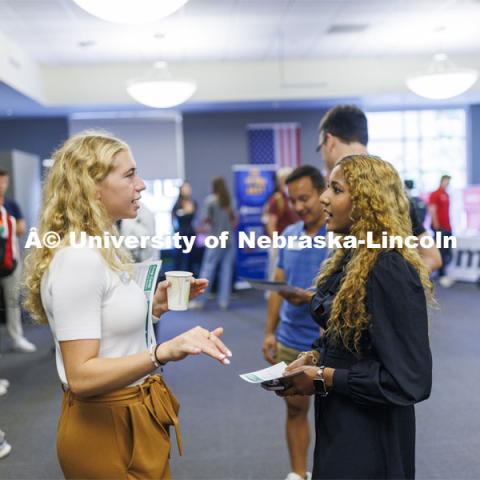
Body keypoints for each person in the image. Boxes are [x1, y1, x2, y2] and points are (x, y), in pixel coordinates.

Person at [23, 132, 232, 479]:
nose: (142, 185)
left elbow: (103, 322)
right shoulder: (79, 258)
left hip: (133, 413)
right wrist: (163, 352)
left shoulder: (101, 247)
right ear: (93, 187)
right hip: (105, 426)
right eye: (129, 174)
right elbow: (81, 376)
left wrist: (152, 307)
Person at [275, 155, 433, 479]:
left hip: (372, 440)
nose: (323, 198)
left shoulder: (388, 269)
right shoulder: (349, 261)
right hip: (341, 424)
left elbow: (411, 382)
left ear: (365, 202)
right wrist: (314, 356)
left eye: (336, 189)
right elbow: (352, 340)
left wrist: (323, 376)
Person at [317, 105, 442, 273]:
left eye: (320, 148)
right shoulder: (389, 190)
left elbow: (432, 258)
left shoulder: (388, 193)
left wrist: (387, 290)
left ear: (329, 141)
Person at [262, 165, 328, 480]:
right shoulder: (289, 235)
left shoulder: (339, 234)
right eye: (294, 200)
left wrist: (313, 296)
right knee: (295, 409)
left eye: (305, 198)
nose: (299, 206)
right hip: (291, 338)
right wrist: (269, 333)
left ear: (321, 192)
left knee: (334, 417)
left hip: (328, 344)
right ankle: (298, 473)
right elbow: (278, 285)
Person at [0, 169, 36, 352]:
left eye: (4, 182)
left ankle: (16, 337)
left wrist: (7, 224)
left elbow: (21, 228)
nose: (2, 185)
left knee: (12, 300)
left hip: (11, 260)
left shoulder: (11, 204)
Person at [192, 176, 236, 310]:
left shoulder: (210, 200)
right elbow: (234, 221)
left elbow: (205, 220)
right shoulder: (229, 201)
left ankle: (200, 301)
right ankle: (224, 301)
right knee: (226, 270)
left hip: (215, 240)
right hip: (229, 240)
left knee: (207, 270)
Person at [264, 167, 299, 281]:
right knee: (276, 275)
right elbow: (271, 224)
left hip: (293, 242)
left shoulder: (292, 199)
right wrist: (276, 245)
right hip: (280, 243)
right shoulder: (277, 200)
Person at [429, 175, 454, 287]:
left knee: (447, 251)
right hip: (440, 228)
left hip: (448, 227)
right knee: (440, 251)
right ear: (442, 181)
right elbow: (432, 209)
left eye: (448, 181)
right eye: (446, 181)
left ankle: (443, 274)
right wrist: (436, 225)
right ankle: (441, 275)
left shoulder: (446, 194)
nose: (447, 183)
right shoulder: (435, 194)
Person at [172, 181, 198, 272]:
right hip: (181, 233)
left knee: (191, 259)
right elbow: (173, 218)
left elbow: (193, 216)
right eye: (185, 188)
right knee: (179, 259)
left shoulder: (193, 203)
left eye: (188, 188)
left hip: (190, 232)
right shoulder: (177, 204)